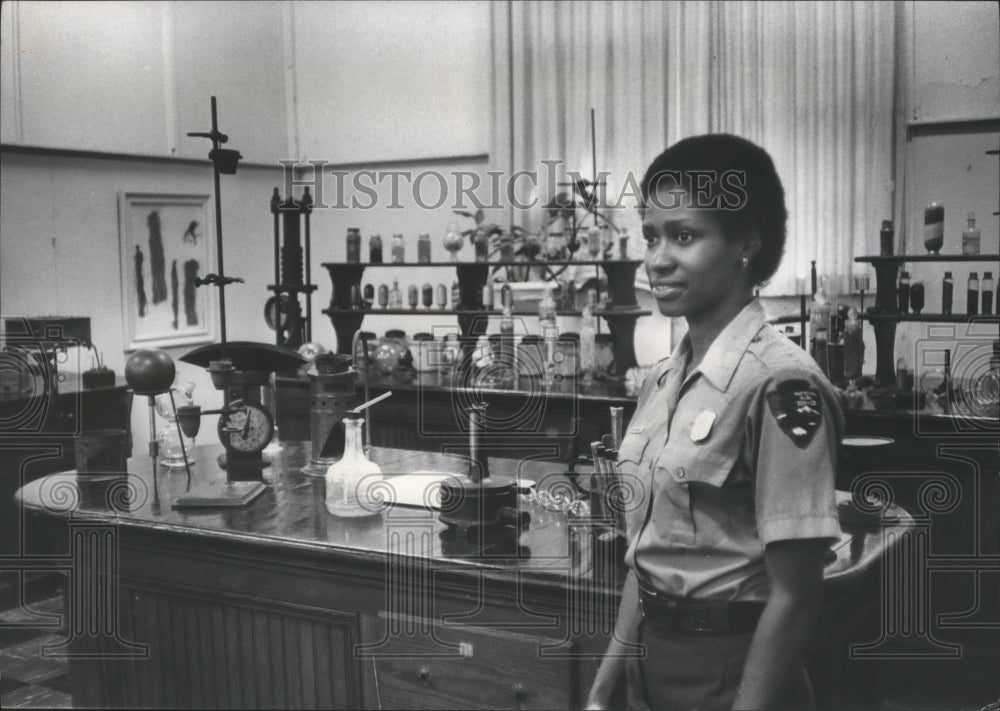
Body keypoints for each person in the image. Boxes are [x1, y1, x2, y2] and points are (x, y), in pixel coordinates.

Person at [586, 134, 843, 711]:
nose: (657, 258)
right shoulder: (661, 381)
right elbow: (645, 559)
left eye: (684, 235)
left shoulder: (779, 384)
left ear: (745, 244)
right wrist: (604, 690)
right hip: (653, 662)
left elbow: (797, 596)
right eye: (651, 235)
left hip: (737, 672)